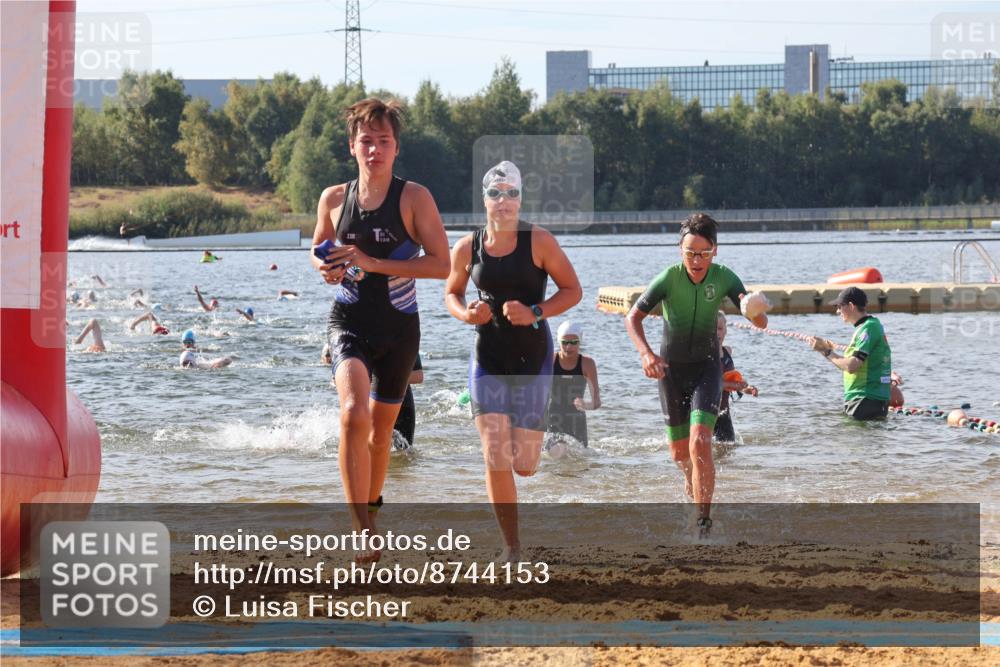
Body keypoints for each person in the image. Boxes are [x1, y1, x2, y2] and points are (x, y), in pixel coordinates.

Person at [310, 97, 449, 559]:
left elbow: (442, 265)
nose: (374, 150)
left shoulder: (414, 198)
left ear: (396, 148)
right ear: (352, 146)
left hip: (400, 328)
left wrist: (373, 263)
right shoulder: (334, 199)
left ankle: (370, 509)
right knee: (353, 413)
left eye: (383, 141)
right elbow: (318, 247)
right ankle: (361, 528)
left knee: (381, 433)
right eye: (366, 141)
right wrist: (324, 266)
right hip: (348, 320)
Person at [445, 160, 582, 561]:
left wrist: (536, 312)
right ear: (484, 199)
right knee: (494, 452)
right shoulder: (466, 247)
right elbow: (451, 292)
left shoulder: (538, 241)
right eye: (495, 193)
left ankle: (540, 441)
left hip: (531, 359)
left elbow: (572, 290)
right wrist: (467, 314)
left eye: (511, 193)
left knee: (523, 465)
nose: (503, 201)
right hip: (487, 357)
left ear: (521, 200)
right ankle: (511, 547)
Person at [625, 213, 770, 538]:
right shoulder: (668, 278)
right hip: (671, 372)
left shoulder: (725, 277)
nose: (696, 260)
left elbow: (760, 322)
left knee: (701, 441)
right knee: (680, 454)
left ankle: (703, 521)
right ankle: (694, 490)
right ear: (680, 250)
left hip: (707, 368)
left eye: (703, 253)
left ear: (714, 251)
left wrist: (757, 310)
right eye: (690, 252)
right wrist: (646, 354)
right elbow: (632, 318)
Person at [809, 286, 892, 421]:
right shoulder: (868, 326)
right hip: (868, 399)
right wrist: (827, 350)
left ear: (851, 306)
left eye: (839, 306)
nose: (837, 311)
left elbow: (852, 365)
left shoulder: (868, 328)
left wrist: (826, 352)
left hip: (865, 399)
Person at [545, 320, 600, 451]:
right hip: (554, 418)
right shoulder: (550, 361)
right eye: (564, 342)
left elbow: (596, 402)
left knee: (580, 459)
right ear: (559, 342)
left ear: (580, 341)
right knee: (556, 454)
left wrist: (586, 404)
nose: (569, 346)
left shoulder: (587, 364)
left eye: (574, 342)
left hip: (577, 421)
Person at [714, 312, 759, 443]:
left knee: (730, 448)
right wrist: (733, 385)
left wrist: (747, 388)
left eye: (720, 329)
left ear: (725, 331)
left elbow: (734, 381)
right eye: (713, 329)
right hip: (705, 412)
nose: (716, 333)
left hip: (723, 412)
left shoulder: (727, 351)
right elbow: (709, 384)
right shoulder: (703, 355)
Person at [391, 356, 424, 451]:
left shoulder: (404, 345)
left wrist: (382, 378)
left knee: (404, 453)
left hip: (402, 406)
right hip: (369, 404)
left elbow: (418, 376)